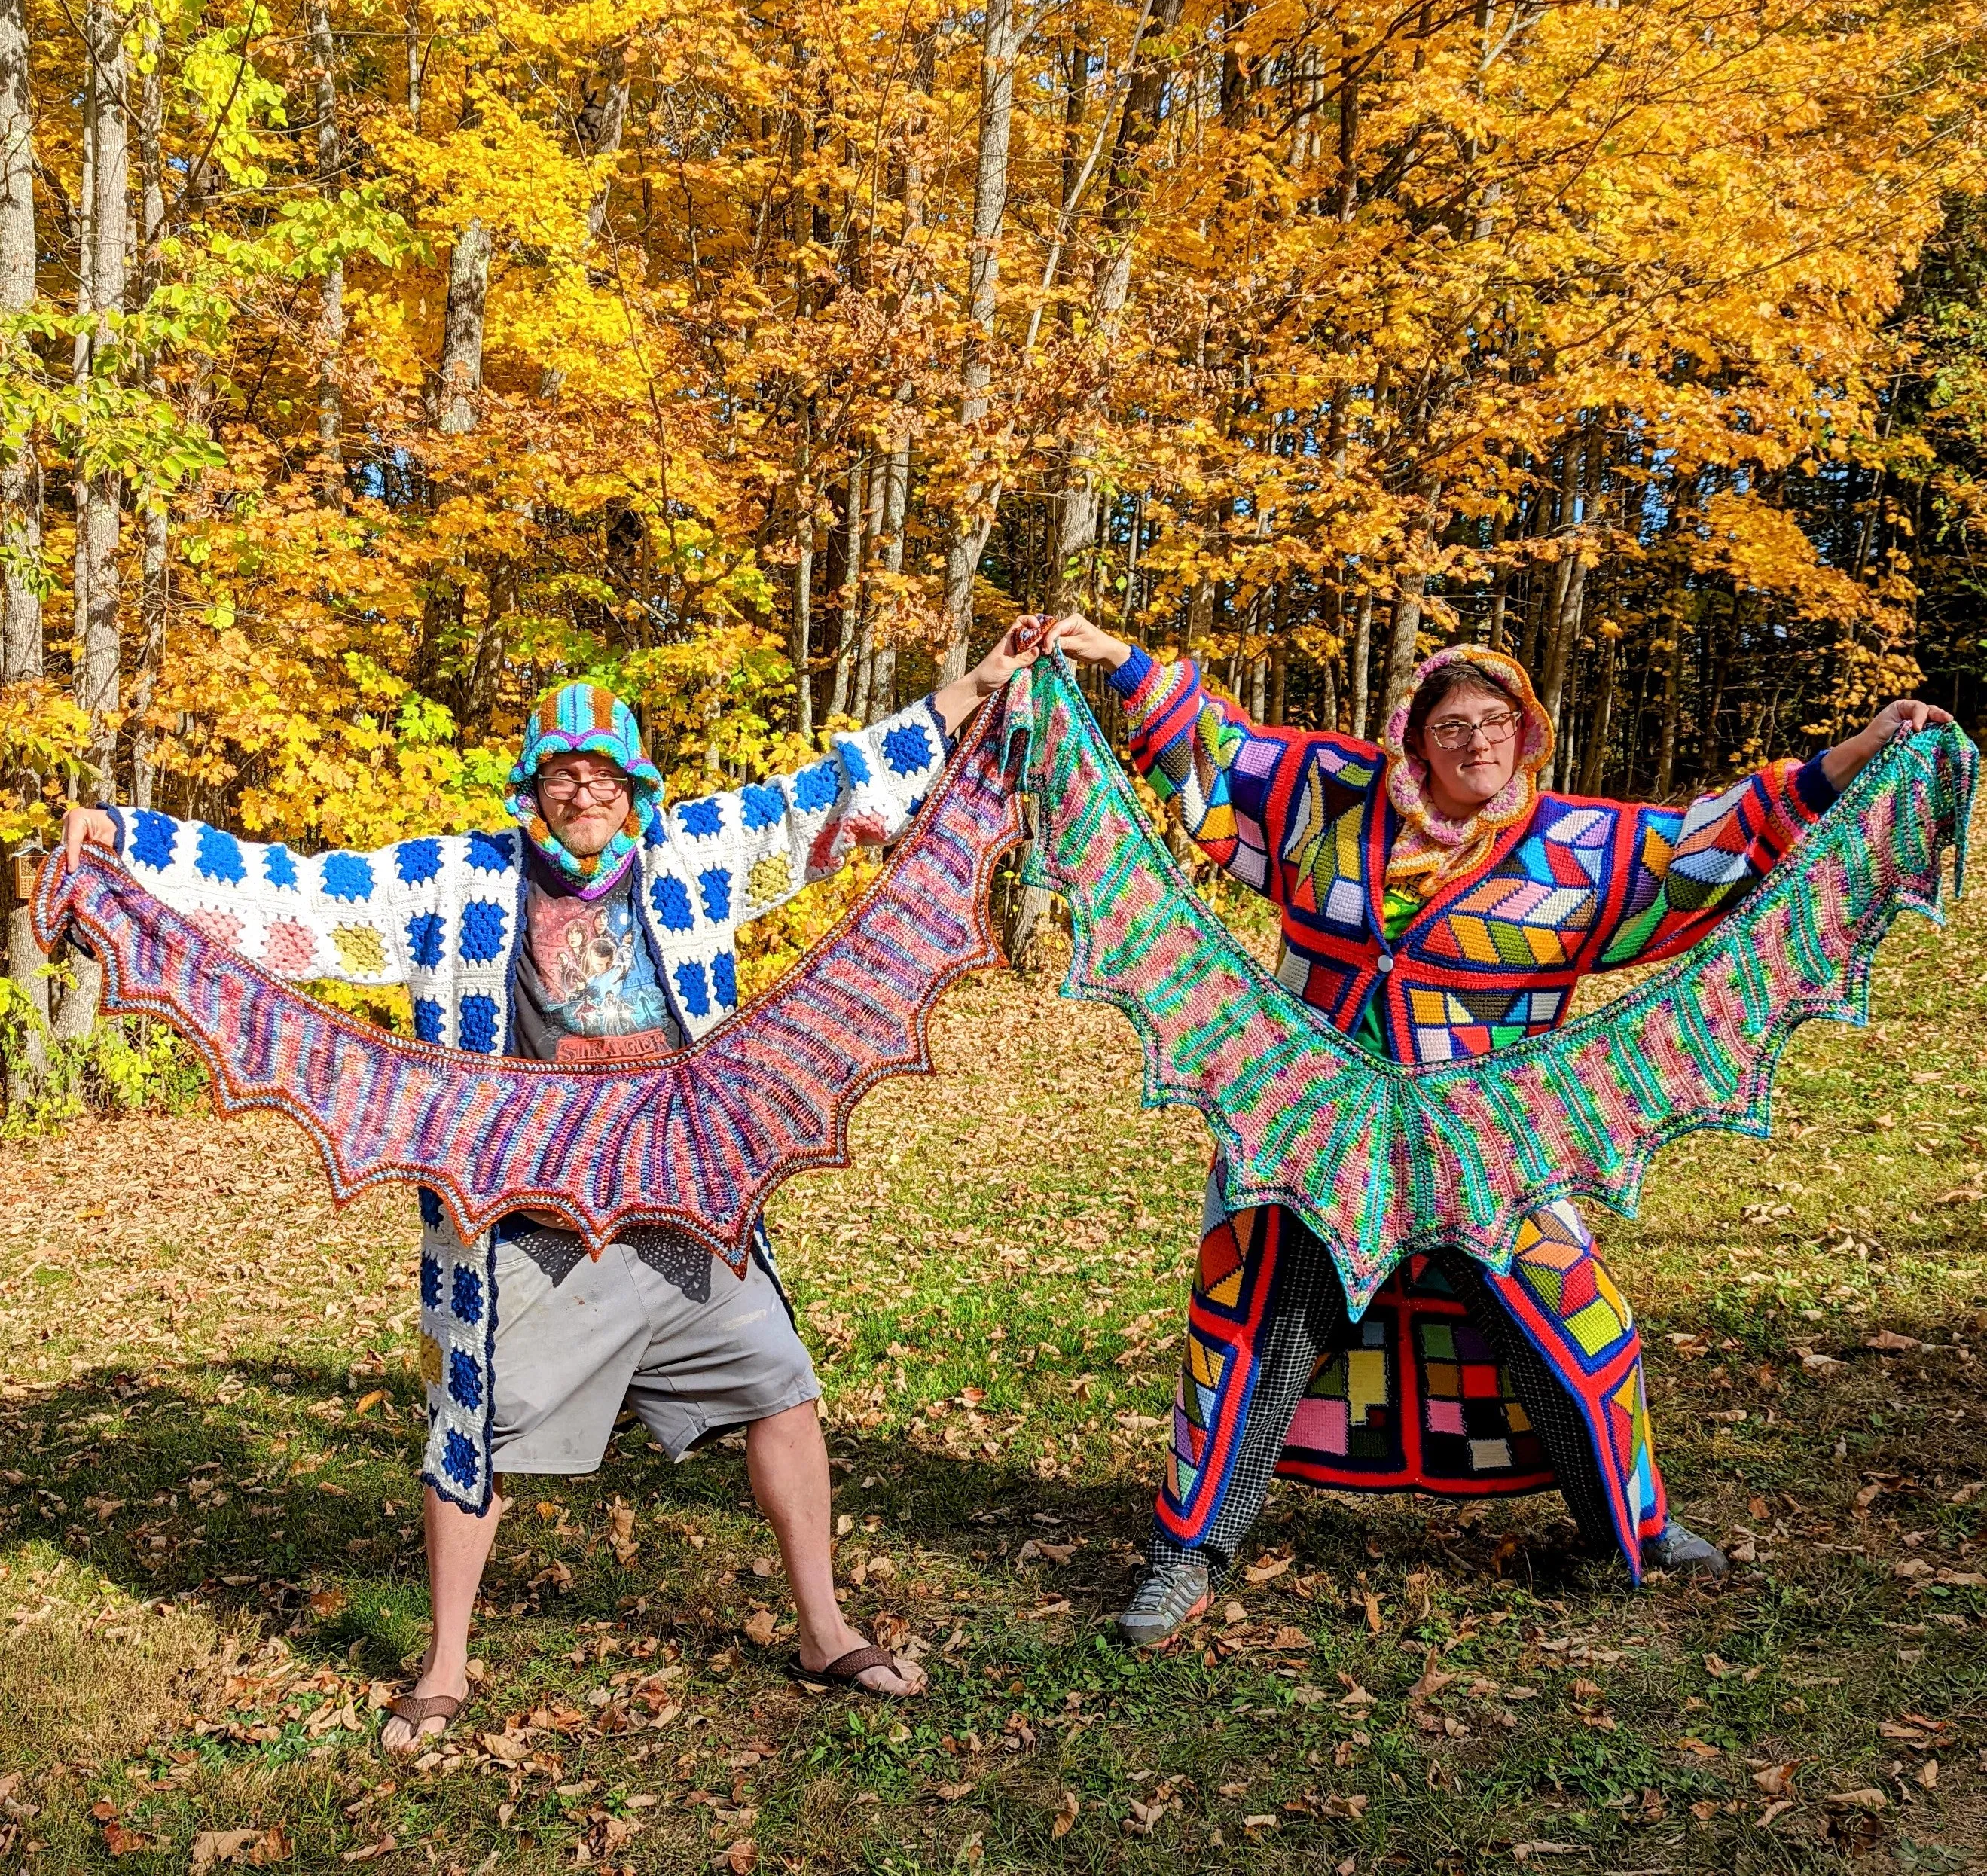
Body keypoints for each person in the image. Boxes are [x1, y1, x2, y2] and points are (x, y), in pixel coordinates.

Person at [60, 618, 1047, 1739]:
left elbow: (823, 797)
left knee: (780, 1387)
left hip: (680, 1205)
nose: (584, 797)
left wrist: (975, 686)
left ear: (635, 784)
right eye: (561, 778)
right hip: (515, 1220)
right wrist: (128, 841)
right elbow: (299, 892)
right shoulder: (455, 880)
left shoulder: (693, 855)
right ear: (533, 788)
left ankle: (824, 1631)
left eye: (603, 778)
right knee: (469, 1433)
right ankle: (443, 1668)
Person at [1043, 615, 1952, 1643]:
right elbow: (1215, 750)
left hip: (1484, 1146)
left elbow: (1725, 837)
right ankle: (1185, 1560)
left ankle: (1632, 1533)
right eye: (1447, 726)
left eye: (1493, 722)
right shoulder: (1331, 802)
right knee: (1251, 1331)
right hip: (1306, 1133)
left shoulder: (1577, 849)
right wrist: (1114, 660)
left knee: (1575, 1329)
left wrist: (1864, 748)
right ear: (1411, 739)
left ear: (1526, 733)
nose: (1472, 742)